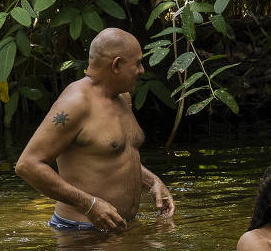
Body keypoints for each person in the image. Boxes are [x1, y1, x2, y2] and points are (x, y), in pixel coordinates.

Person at [14, 27, 175, 230]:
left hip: (121, 227)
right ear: (116, 65)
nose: (142, 70)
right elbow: (27, 165)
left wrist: (153, 182)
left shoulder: (123, 97)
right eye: (137, 63)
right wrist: (89, 205)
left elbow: (115, 157)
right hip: (80, 231)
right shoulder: (75, 103)